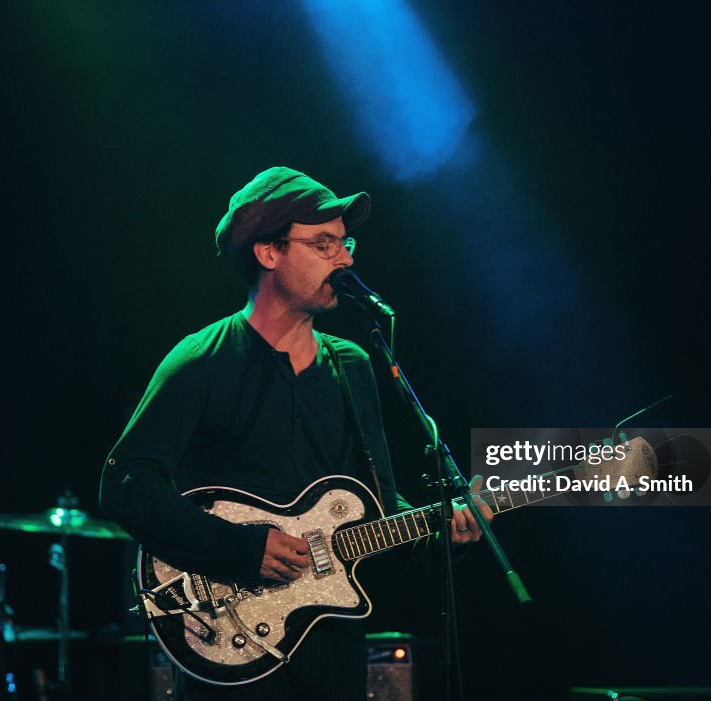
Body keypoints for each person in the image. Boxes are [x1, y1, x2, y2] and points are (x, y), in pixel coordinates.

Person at [99, 166, 492, 700]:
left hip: (333, 639)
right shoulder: (200, 360)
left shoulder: (351, 364)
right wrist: (238, 548)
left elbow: (373, 506)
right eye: (325, 244)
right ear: (268, 252)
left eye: (345, 242)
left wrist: (443, 533)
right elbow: (126, 483)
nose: (347, 259)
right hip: (231, 637)